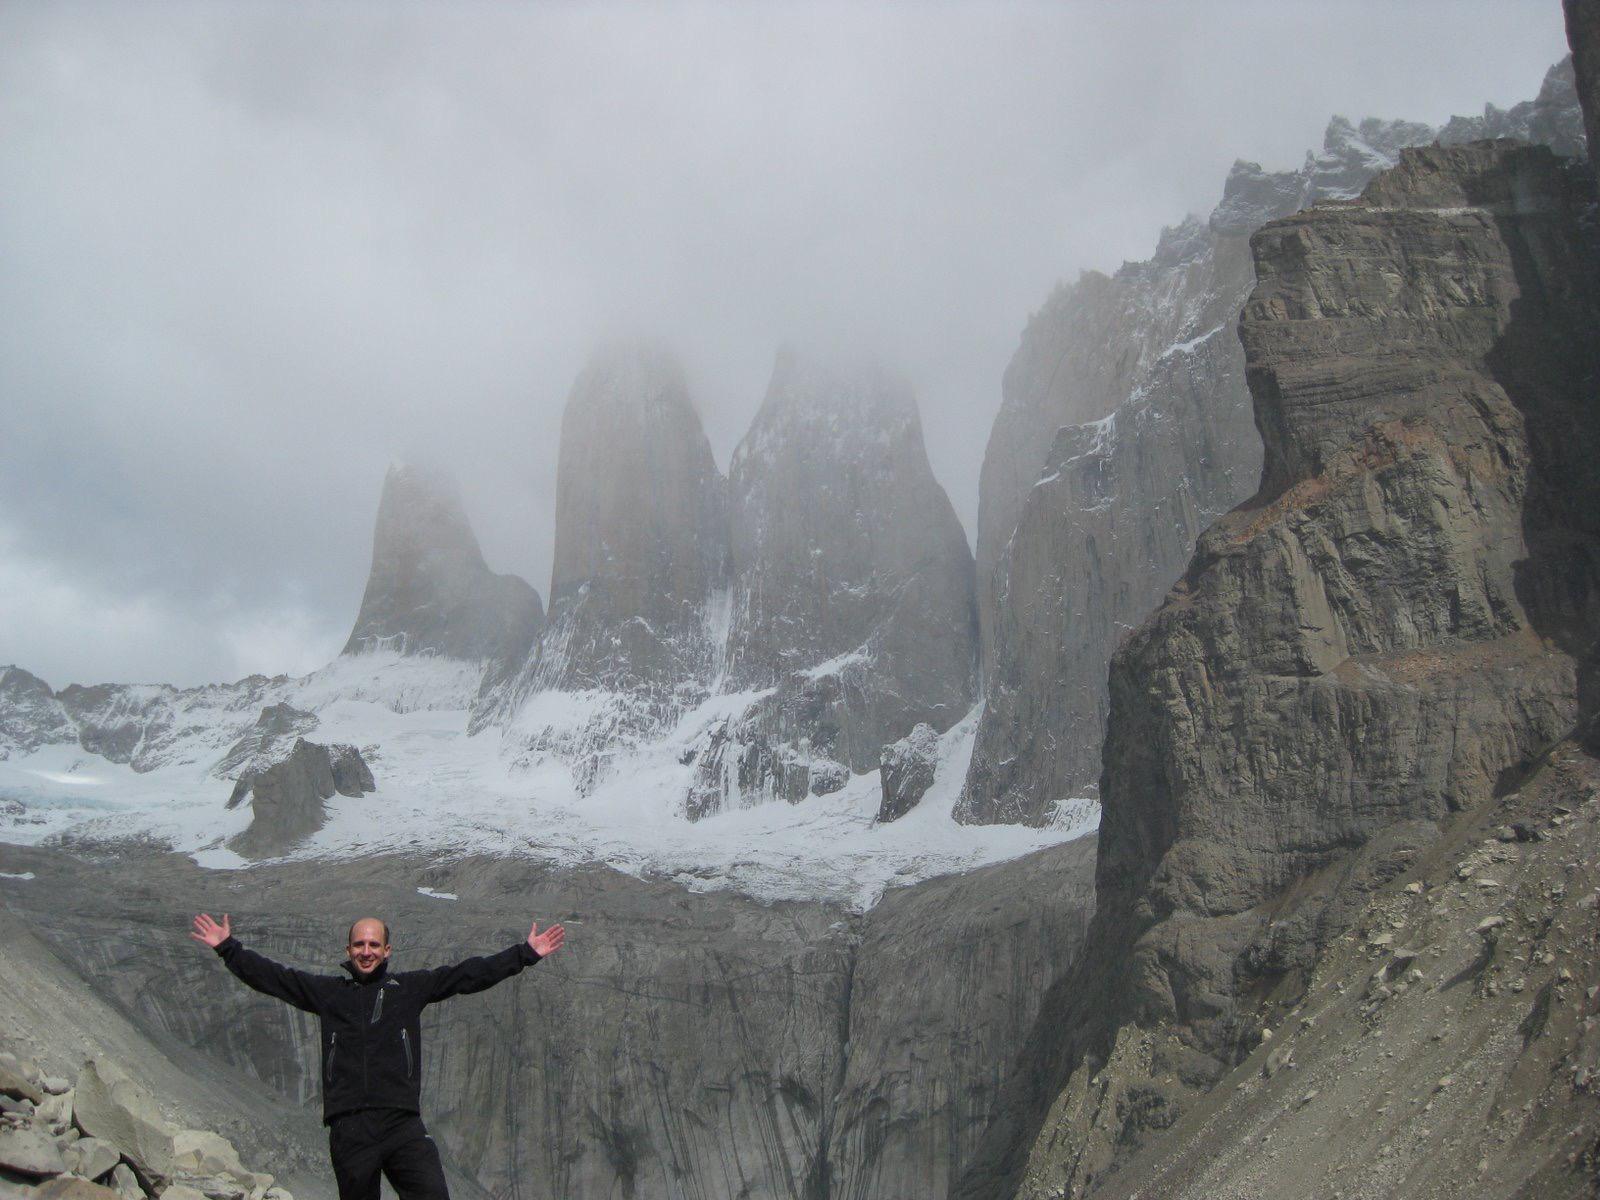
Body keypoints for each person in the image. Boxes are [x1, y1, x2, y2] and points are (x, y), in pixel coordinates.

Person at [190, 911, 565, 1200]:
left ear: (387, 951)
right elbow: (276, 979)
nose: (365, 951)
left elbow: (467, 975)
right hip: (349, 1128)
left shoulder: (410, 989)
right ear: (348, 951)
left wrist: (525, 954)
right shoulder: (329, 993)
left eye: (373, 945)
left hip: (402, 1124)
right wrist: (228, 948)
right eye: (359, 945)